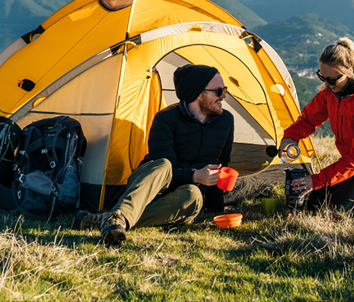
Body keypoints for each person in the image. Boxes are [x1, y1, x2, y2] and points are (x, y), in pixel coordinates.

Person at [74, 64, 234, 245]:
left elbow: (220, 167)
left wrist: (217, 208)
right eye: (219, 91)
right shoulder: (166, 118)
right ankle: (119, 216)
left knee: (193, 195)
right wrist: (195, 175)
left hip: (180, 197)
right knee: (163, 164)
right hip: (150, 184)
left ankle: (112, 220)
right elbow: (166, 171)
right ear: (198, 94)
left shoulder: (226, 121)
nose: (224, 95)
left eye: (224, 90)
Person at [279, 38, 354, 211]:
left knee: (338, 208)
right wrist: (291, 137)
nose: (327, 84)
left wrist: (316, 180)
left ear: (349, 72)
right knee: (315, 203)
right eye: (322, 77)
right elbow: (308, 120)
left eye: (332, 79)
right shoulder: (330, 93)